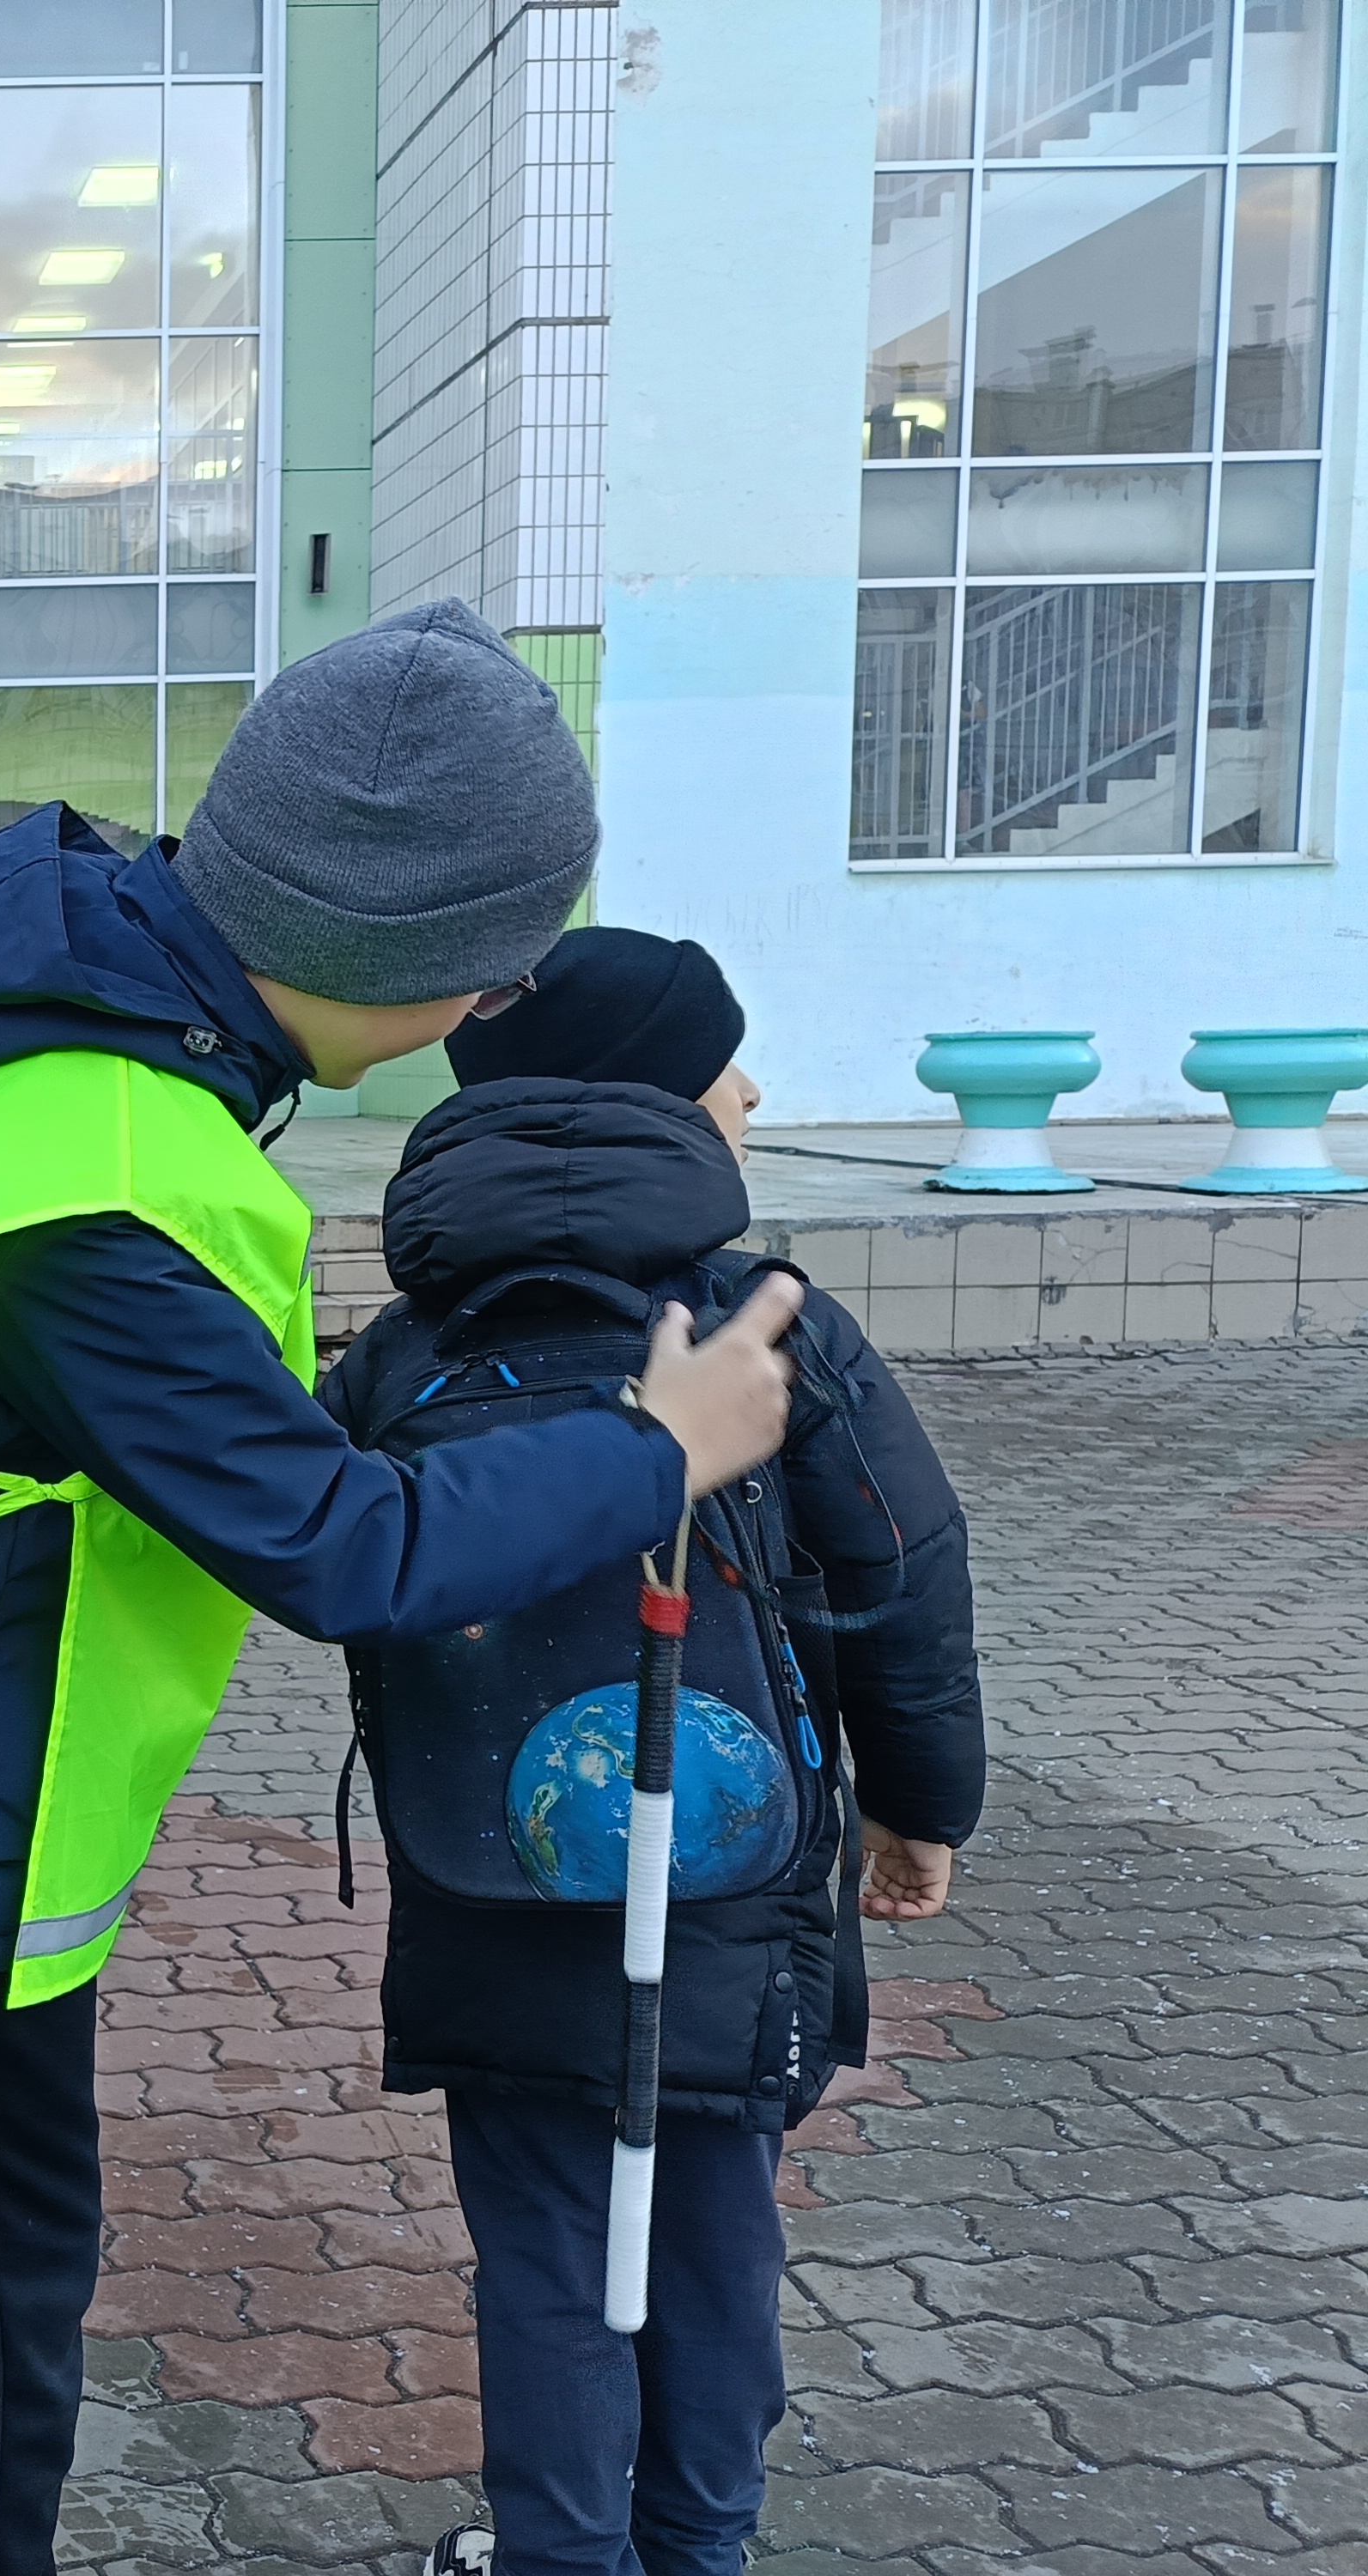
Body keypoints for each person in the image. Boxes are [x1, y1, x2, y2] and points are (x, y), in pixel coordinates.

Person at [0, 601, 809, 2576]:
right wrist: (655, 1443)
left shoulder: (36, 1037)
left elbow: (192, 1434)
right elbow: (345, 1548)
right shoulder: (102, 1179)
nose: (493, 996)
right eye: (490, 956)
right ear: (395, 944)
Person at [325, 927, 986, 2576]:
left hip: (483, 1879)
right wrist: (921, 1809)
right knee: (707, 2230)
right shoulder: (770, 1324)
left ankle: (561, 2558)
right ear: (652, 1105)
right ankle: (698, 2552)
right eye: (724, 1063)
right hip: (732, 1904)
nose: (750, 1089)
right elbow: (902, 1578)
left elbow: (332, 1562)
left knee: (547, 2252)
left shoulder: (408, 1347)